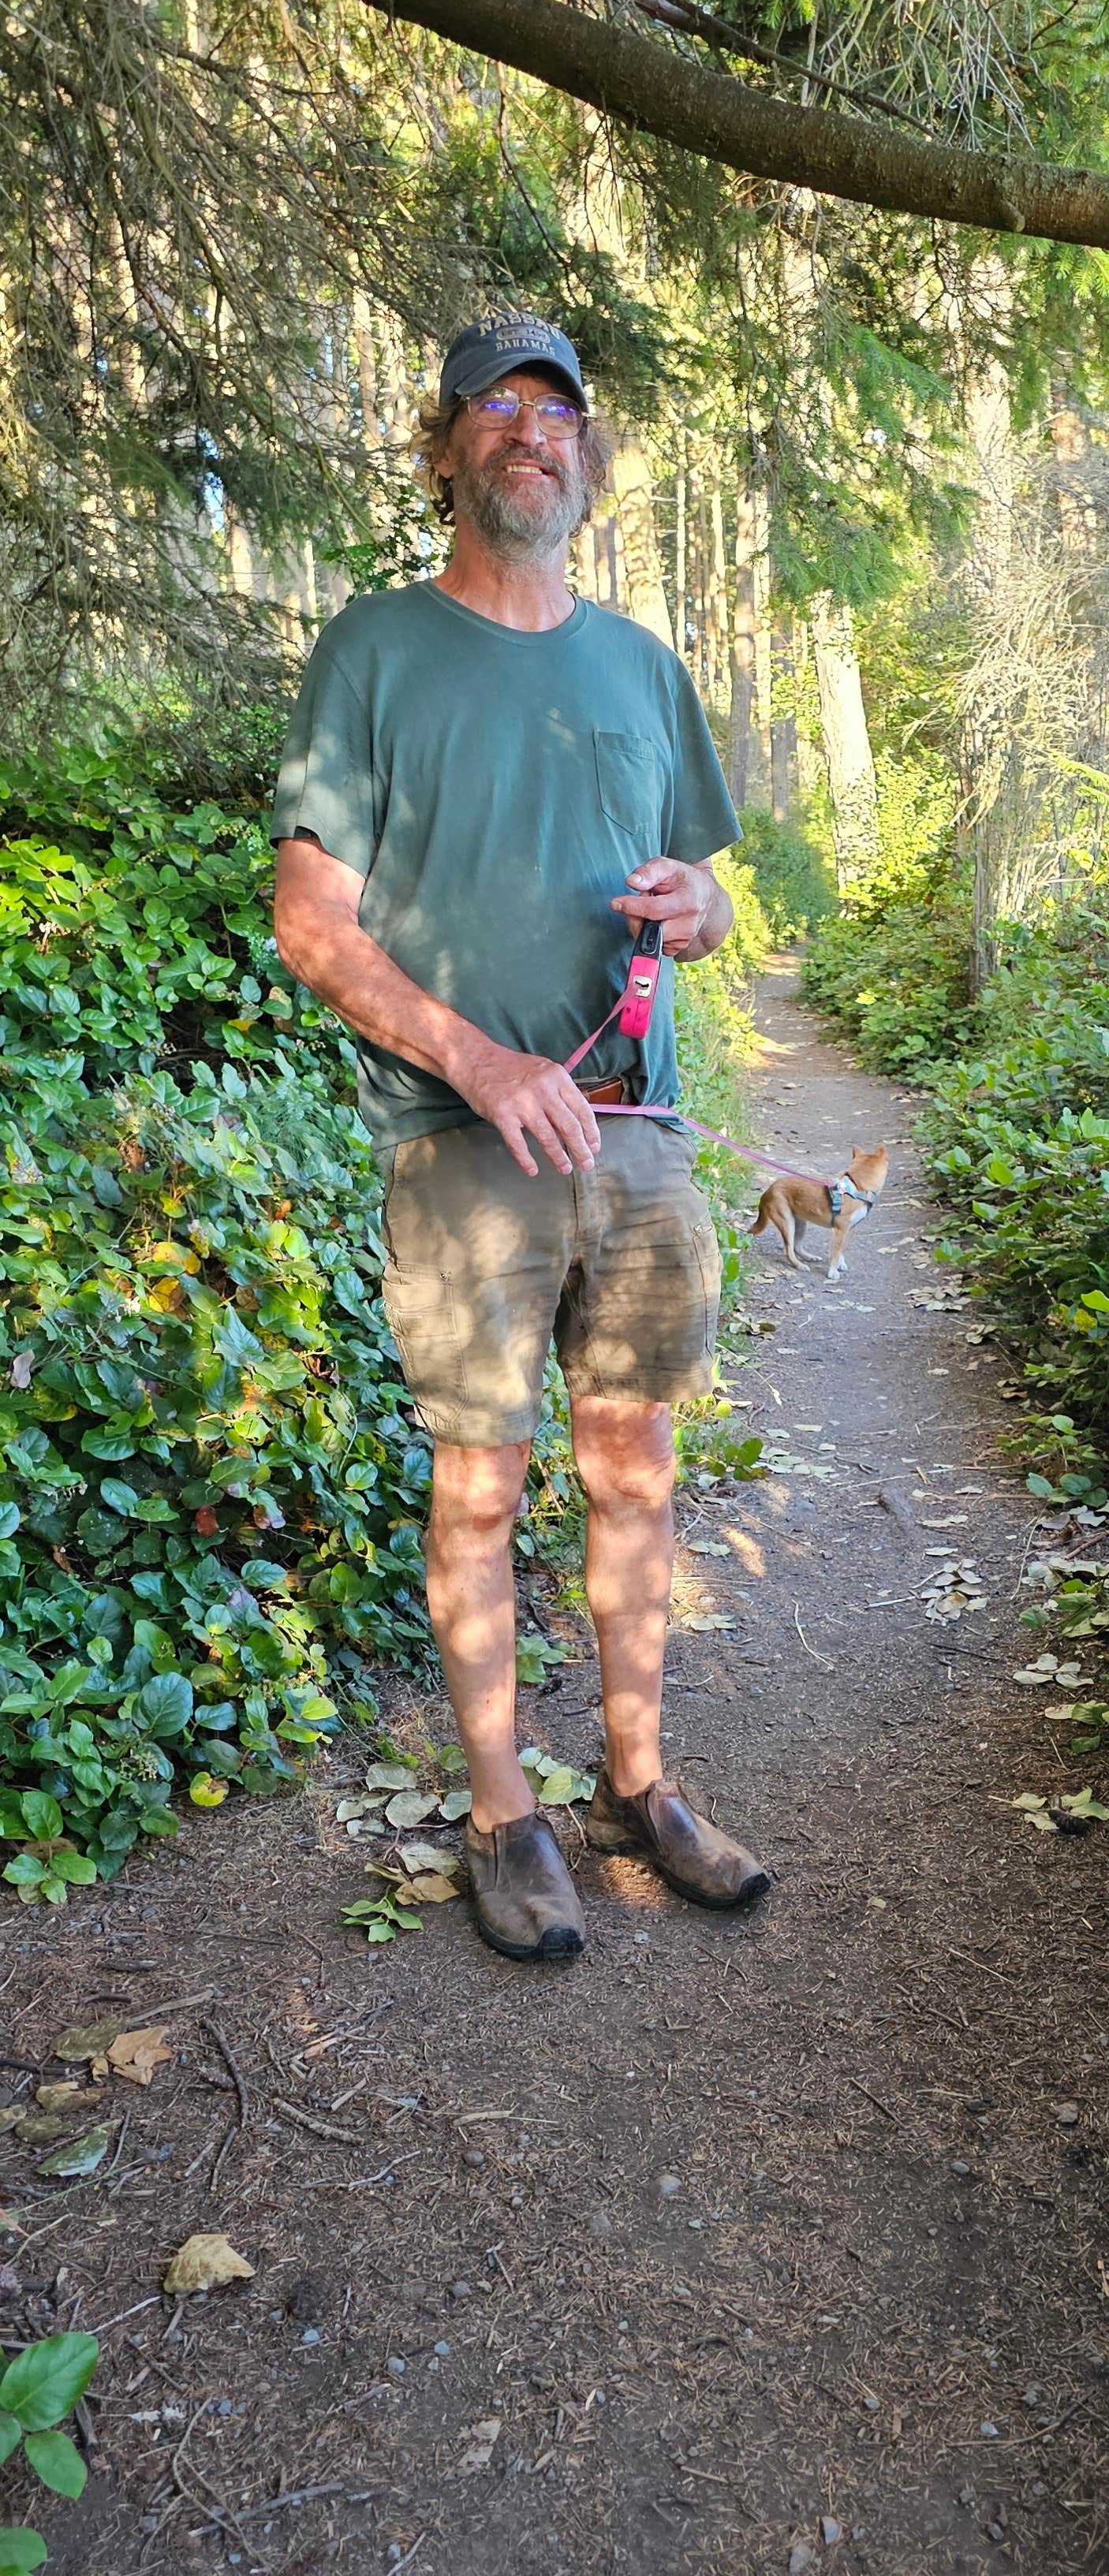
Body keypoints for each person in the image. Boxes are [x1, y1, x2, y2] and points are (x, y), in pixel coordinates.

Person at [271, 311, 769, 1963]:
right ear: (447, 449)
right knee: (479, 1487)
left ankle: (637, 1779)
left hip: (635, 1137)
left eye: (556, 410)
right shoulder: (373, 653)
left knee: (635, 1464)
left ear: (587, 457)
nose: (530, 432)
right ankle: (503, 1813)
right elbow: (314, 926)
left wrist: (698, 905)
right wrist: (480, 1062)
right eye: (496, 405)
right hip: (464, 1144)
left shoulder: (638, 665)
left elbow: (701, 888)